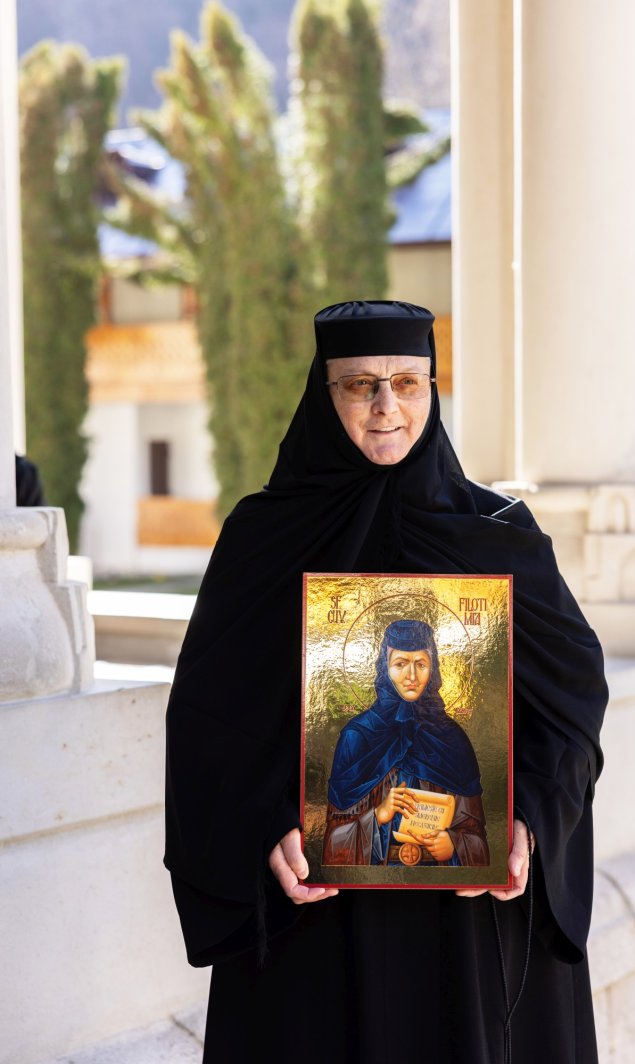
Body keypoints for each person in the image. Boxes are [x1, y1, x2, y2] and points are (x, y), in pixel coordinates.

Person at [164, 300, 608, 1064]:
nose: (385, 407)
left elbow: (571, 704)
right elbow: (208, 722)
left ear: (431, 390)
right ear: (323, 393)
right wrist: (264, 826)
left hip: (470, 922)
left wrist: (528, 820)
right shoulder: (263, 539)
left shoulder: (497, 534)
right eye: (359, 385)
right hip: (318, 926)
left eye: (407, 383)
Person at [323, 619, 490, 867]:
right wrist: (378, 816)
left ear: (433, 669)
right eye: (400, 663)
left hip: (439, 881)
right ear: (385, 668)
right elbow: (332, 842)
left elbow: (476, 836)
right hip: (373, 882)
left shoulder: (453, 739)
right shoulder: (357, 736)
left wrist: (455, 844)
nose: (411, 676)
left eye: (421, 664)